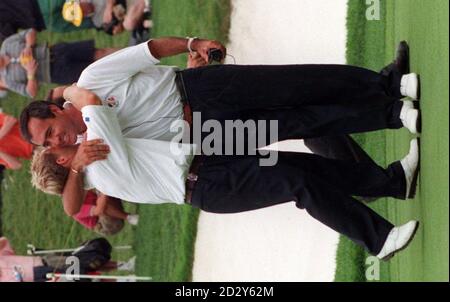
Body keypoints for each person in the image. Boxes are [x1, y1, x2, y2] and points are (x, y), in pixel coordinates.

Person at [30, 83, 421, 260]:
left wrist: (76, 168)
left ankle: (393, 181)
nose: (56, 140)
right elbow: (90, 99)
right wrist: (66, 94)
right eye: (51, 144)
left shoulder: (90, 165)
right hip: (209, 184)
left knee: (307, 168)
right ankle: (379, 239)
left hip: (211, 163)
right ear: (64, 161)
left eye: (50, 137)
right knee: (299, 184)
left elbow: (70, 203)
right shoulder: (96, 155)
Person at [0, 28, 120, 98]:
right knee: (97, 72)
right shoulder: (8, 80)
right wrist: (31, 75)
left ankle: (132, 52)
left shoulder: (7, 44)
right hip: (57, 73)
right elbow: (31, 93)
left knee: (99, 52)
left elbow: (30, 32)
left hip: (56, 51)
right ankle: (125, 72)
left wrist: (28, 46)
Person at [0, 236, 135, 282]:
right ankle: (124, 280)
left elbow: (4, 240)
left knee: (84, 261)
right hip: (44, 277)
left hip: (45, 261)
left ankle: (124, 266)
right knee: (85, 277)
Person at [73, 190, 139, 235]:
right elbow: (99, 210)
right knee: (104, 206)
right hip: (105, 225)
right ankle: (130, 218)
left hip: (103, 208)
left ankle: (134, 197)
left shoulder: (78, 188)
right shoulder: (75, 209)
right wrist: (104, 189)